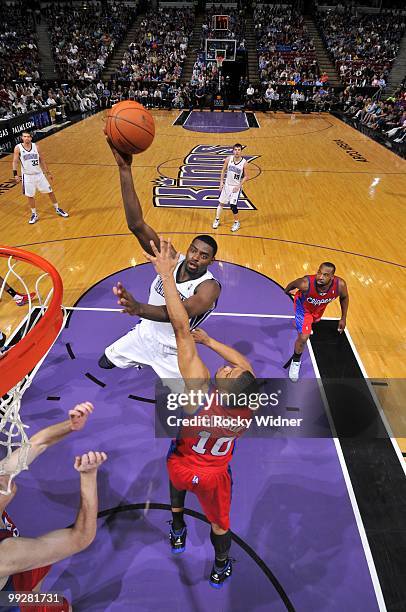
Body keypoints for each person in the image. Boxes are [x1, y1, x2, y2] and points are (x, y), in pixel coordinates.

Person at [144, 237, 258, 588]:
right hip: (214, 474)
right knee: (219, 523)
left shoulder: (197, 393)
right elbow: (245, 367)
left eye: (226, 371)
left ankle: (177, 531)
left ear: (222, 383)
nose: (226, 367)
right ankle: (220, 565)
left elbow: (181, 327)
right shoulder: (247, 409)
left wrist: (166, 276)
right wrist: (211, 342)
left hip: (182, 464)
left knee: (176, 489)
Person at [98, 139, 221, 383]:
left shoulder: (210, 287)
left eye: (203, 255)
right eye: (194, 250)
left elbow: (181, 314)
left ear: (211, 260)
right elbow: (137, 225)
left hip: (175, 350)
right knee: (104, 362)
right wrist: (125, 169)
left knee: (190, 403)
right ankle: (138, 356)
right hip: (145, 333)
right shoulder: (171, 259)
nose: (195, 257)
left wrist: (138, 308)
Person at [0, 402, 107, 608]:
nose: (5, 477)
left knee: (38, 574)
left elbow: (37, 444)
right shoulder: (7, 555)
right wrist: (88, 476)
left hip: (14, 566)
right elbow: (80, 538)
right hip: (6, 598)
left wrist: (71, 425)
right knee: (57, 605)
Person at [284, 262, 349, 382]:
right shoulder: (305, 284)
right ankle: (296, 362)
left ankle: (304, 325)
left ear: (332, 277)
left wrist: (343, 317)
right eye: (319, 272)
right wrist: (287, 291)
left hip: (319, 308)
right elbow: (292, 284)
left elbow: (344, 297)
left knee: (316, 320)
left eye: (325, 275)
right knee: (304, 337)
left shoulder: (340, 285)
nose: (320, 277)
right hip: (303, 309)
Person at [12, 131, 69, 225]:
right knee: (30, 196)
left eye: (28, 136)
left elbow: (42, 160)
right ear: (22, 138)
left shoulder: (36, 146)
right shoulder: (18, 148)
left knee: (50, 192)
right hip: (27, 176)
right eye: (24, 136)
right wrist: (15, 174)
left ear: (31, 138)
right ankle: (34, 214)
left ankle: (57, 208)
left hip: (39, 174)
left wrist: (48, 172)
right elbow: (15, 161)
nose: (26, 138)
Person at [212, 143, 248, 233]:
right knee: (221, 203)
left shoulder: (244, 163)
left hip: (236, 187)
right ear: (233, 151)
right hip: (227, 185)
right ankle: (217, 219)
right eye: (235, 150)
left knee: (233, 205)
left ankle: (237, 222)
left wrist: (239, 186)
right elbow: (223, 170)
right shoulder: (228, 159)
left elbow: (246, 176)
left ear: (241, 151)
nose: (237, 152)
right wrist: (221, 182)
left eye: (239, 150)